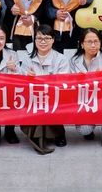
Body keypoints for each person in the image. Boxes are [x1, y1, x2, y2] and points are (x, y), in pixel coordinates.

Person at [18, 24, 69, 152]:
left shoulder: (61, 59)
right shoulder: (28, 59)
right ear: (34, 40)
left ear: (53, 40)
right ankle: (39, 135)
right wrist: (27, 77)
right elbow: (21, 81)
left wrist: (43, 81)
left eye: (47, 38)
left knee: (51, 105)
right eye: (39, 38)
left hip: (54, 98)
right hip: (33, 98)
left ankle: (59, 133)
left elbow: (63, 82)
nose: (43, 42)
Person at [69, 28, 102, 147]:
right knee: (84, 130)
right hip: (83, 100)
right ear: (82, 44)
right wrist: (80, 79)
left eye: (96, 41)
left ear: (100, 43)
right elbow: (68, 83)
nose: (93, 45)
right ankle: (89, 127)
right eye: (89, 42)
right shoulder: (73, 61)